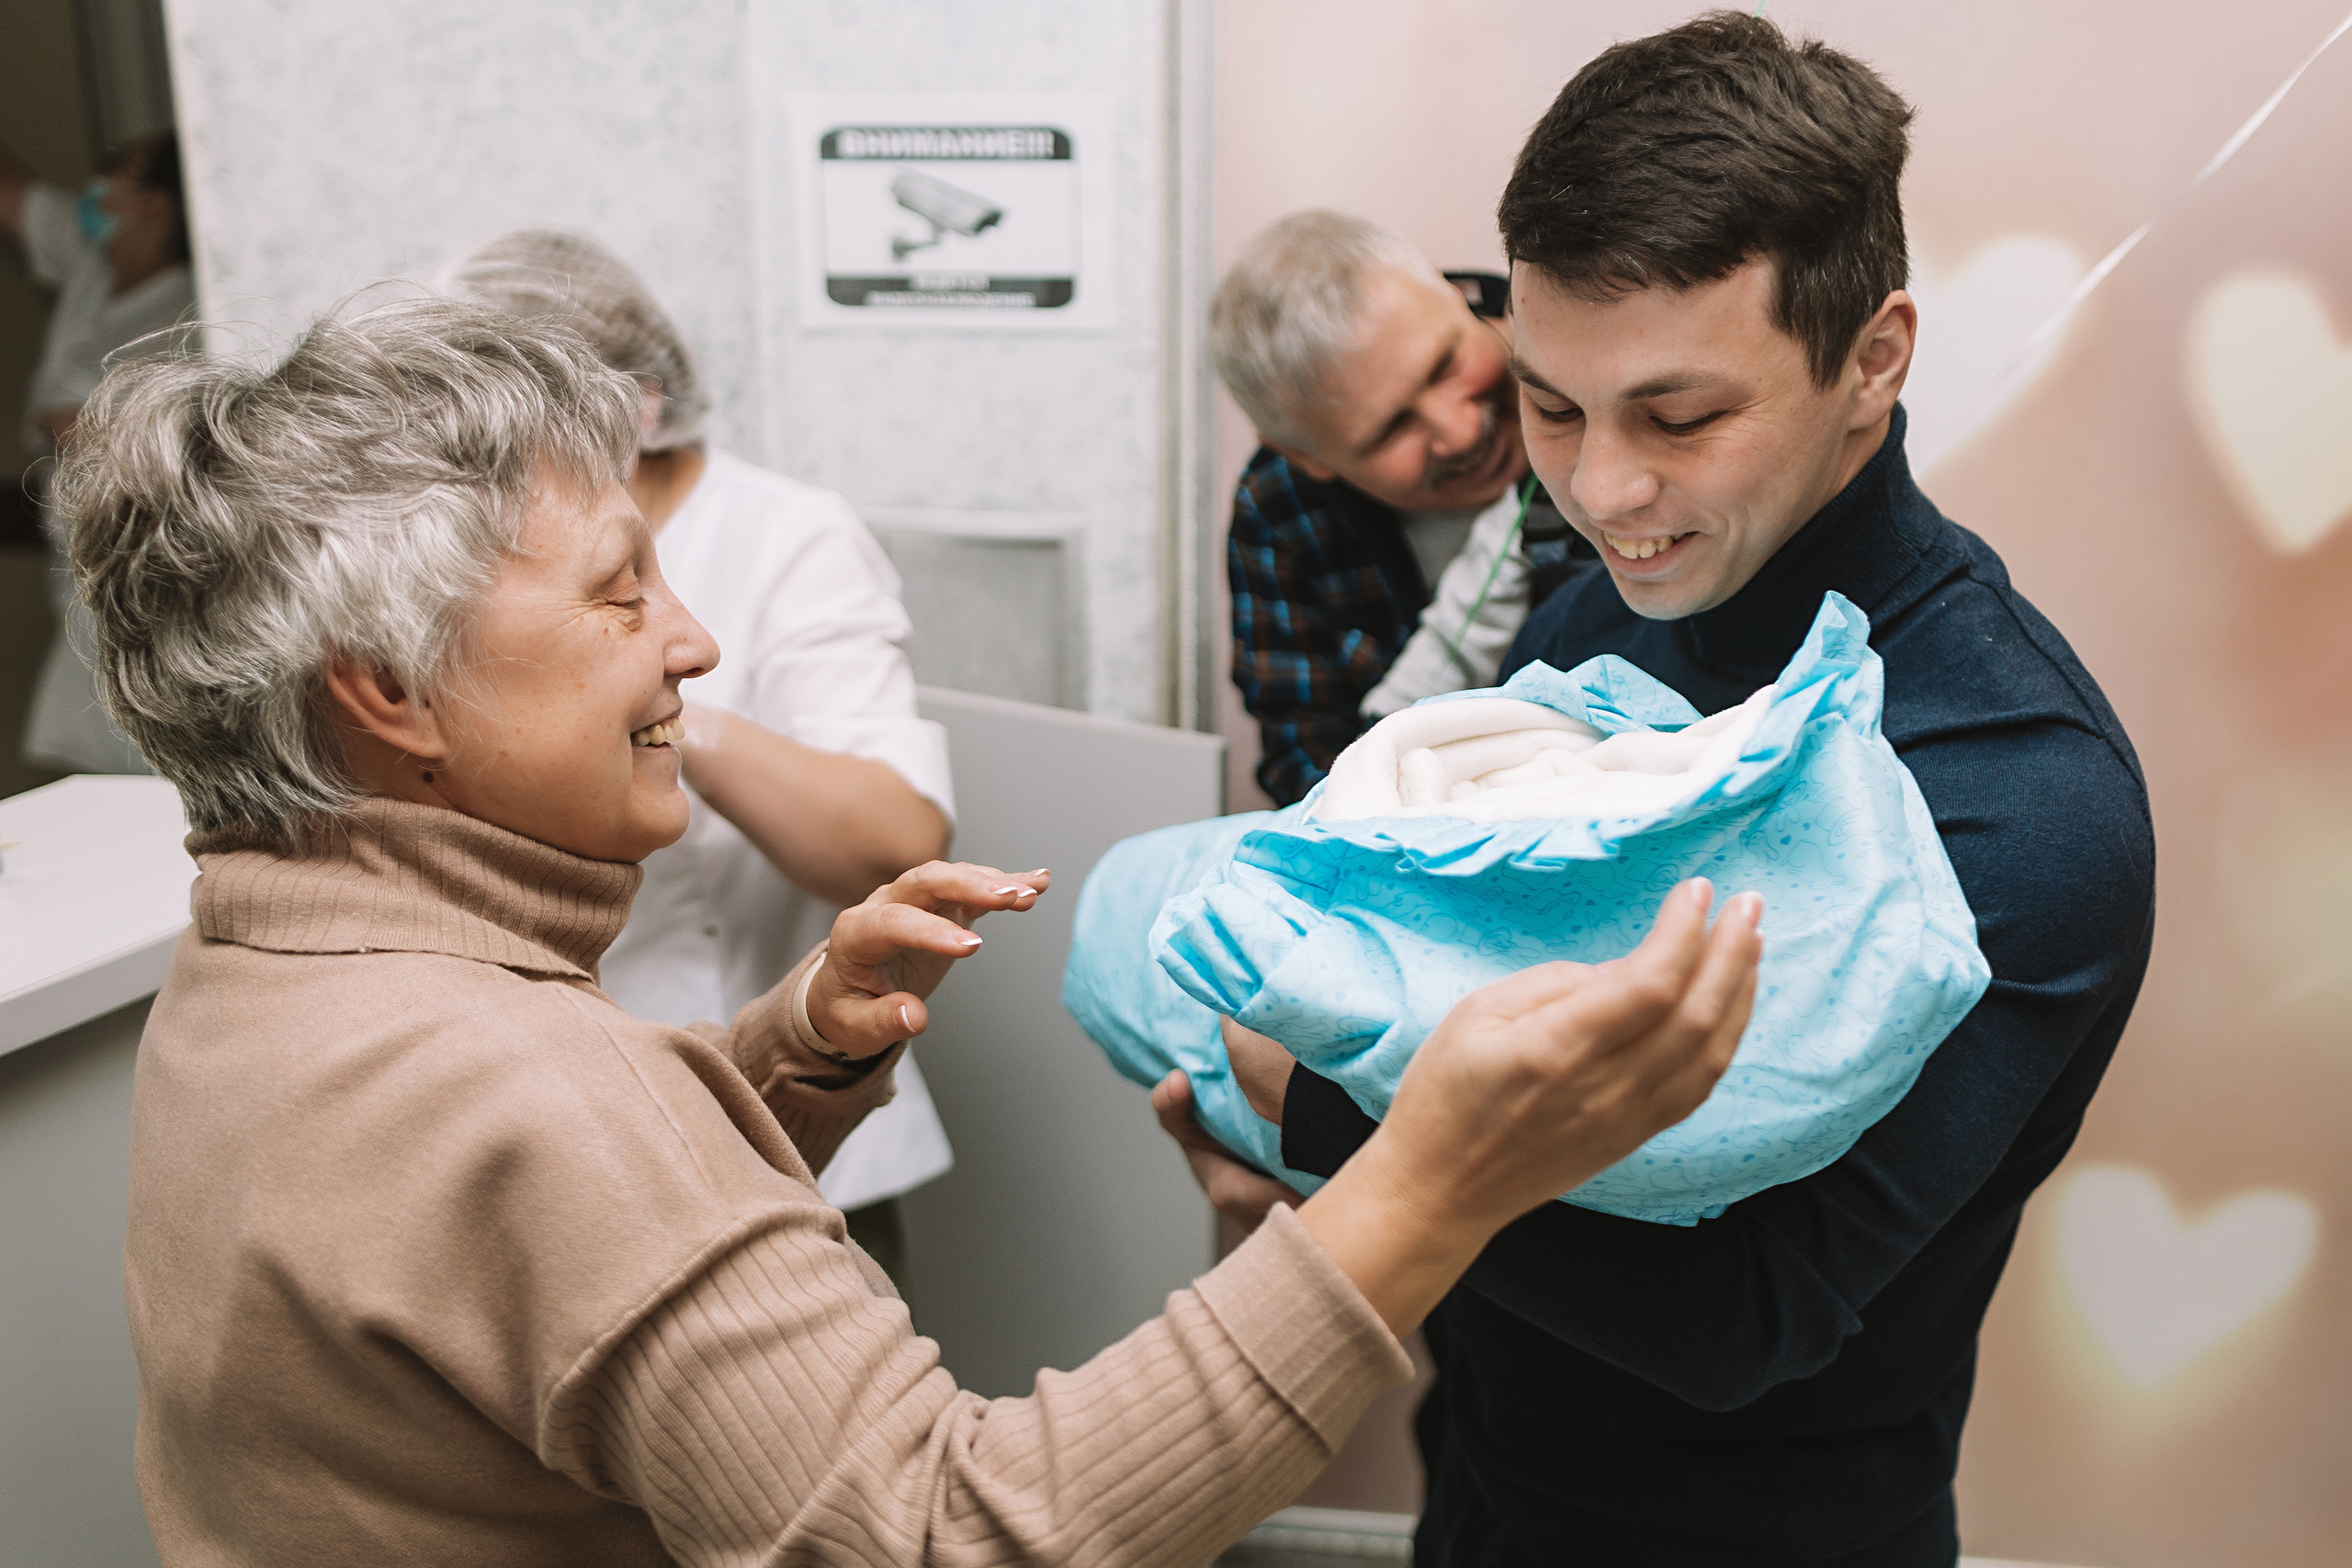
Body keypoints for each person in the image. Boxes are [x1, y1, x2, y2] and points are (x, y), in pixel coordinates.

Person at [62, 293, 1763, 1564]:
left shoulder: (253, 972)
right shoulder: (534, 1095)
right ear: (385, 692)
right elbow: (961, 1533)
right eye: (616, 590)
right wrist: (1432, 1185)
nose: (697, 644)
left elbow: (504, 1281)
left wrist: (769, 1073)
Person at [1199, 15, 2157, 1566]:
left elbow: (1747, 1317)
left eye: (1681, 415)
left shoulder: (2020, 796)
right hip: (1485, 1483)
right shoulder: (1591, 619)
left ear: (1876, 359)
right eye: (1552, 405)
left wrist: (1313, 1107)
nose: (1598, 490)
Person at [447, 231, 954, 1282]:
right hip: (559, 1123)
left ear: (634, 405)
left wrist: (655, 706)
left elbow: (898, 835)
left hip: (793, 1133)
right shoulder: (475, 555)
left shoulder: (786, 537)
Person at [1209, 211, 1593, 806]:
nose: (1461, 431)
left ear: (1455, 294)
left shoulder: (1602, 345)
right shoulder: (1280, 510)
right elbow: (1307, 769)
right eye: (1391, 430)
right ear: (1307, 457)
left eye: (1444, 365)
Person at [0, 128, 195, 773]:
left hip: (156, 579)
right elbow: (13, 195)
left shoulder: (194, 306)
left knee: (140, 766)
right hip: (79, 567)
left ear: (154, 203)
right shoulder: (91, 263)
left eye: (117, 168)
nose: (95, 183)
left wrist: (81, 426)